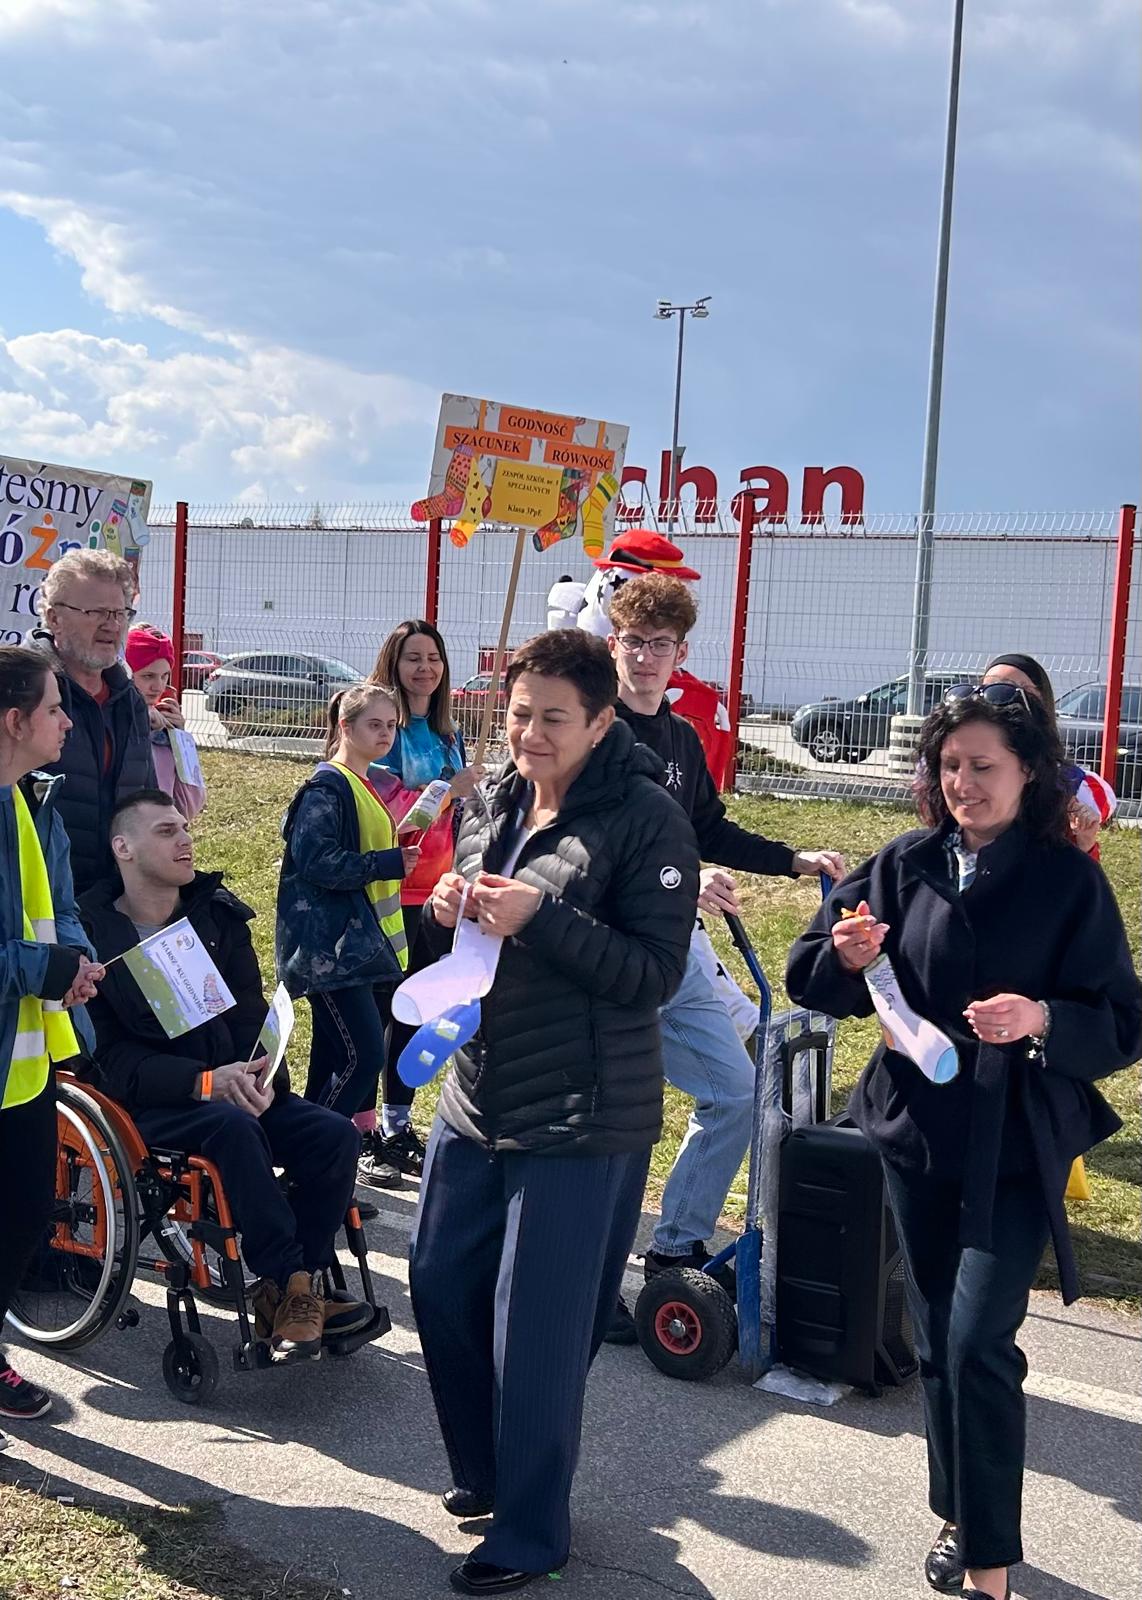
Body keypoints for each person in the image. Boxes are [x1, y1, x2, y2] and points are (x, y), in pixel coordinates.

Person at [786, 688, 1142, 1600]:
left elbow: (1122, 1021)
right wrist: (846, 956)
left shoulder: (1069, 882)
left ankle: (990, 1570)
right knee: (940, 1340)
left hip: (1016, 1144)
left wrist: (1042, 1018)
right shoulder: (903, 863)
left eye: (984, 766)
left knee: (981, 1340)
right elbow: (810, 973)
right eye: (949, 766)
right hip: (916, 1135)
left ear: (1029, 772)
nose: (963, 784)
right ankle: (958, 1508)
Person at [409, 630, 699, 1595]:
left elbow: (652, 975)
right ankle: (487, 1473)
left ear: (602, 722)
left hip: (584, 1109)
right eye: (520, 714)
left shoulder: (648, 820)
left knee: (533, 1329)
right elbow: (468, 936)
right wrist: (449, 906)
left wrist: (546, 919)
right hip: (478, 1089)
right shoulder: (495, 796)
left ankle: (532, 1532)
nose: (530, 734)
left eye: (554, 720)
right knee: (440, 1285)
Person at [603, 572, 845, 1339]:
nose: (646, 657)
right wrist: (677, 874)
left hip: (676, 955)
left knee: (737, 1095)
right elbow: (589, 847)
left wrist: (795, 861)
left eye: (661, 645)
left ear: (681, 654)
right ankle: (585, 1284)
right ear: (613, 645)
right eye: (634, 642)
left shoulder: (679, 736)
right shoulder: (594, 732)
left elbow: (706, 827)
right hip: (606, 961)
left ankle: (673, 1245)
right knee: (614, 1131)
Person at [80, 790, 371, 1364]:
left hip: (237, 1089)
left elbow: (249, 1017)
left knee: (334, 1135)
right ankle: (290, 1283)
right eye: (166, 831)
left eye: (185, 828)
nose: (185, 840)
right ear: (123, 848)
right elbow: (109, 1059)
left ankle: (299, 1288)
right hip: (156, 1104)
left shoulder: (216, 917)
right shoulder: (92, 938)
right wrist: (202, 1081)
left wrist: (264, 1074)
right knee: (232, 1131)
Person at [0, 646, 103, 1443]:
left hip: (25, 1067)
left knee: (26, 1214)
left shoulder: (38, 804)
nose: (68, 721)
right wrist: (47, 968)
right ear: (14, 720)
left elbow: (59, 908)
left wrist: (75, 963)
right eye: (55, 708)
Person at [364, 621, 482, 1182]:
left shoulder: (446, 733)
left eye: (434, 658)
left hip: (439, 891)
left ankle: (398, 1121)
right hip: (392, 890)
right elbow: (390, 811)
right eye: (413, 658)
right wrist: (449, 791)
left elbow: (458, 813)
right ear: (394, 663)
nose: (425, 669)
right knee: (383, 1011)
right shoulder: (383, 729)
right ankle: (370, 1127)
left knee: (417, 1008)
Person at [276, 684, 418, 1136]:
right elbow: (316, 860)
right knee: (365, 1057)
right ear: (345, 727)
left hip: (353, 948)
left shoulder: (361, 784)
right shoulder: (328, 786)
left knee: (332, 1060)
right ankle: (317, 1148)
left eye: (391, 725)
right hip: (332, 951)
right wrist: (384, 863)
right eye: (374, 724)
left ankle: (309, 1160)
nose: (385, 734)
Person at [28, 548, 156, 894]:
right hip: (38, 897)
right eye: (96, 612)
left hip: (118, 896)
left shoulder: (129, 700)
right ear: (54, 618)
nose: (112, 625)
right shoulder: (20, 691)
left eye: (120, 612)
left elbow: (149, 798)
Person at [977, 653, 1115, 857]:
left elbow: (1079, 874)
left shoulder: (1073, 786)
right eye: (990, 687)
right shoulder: (958, 773)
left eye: (1019, 689)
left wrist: (1085, 844)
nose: (1001, 698)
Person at [125, 625, 207, 819]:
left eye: (164, 676)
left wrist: (180, 740)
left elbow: (190, 805)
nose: (158, 686)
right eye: (148, 676)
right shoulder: (113, 722)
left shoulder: (165, 730)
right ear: (126, 675)